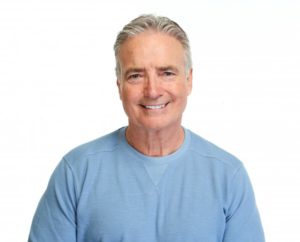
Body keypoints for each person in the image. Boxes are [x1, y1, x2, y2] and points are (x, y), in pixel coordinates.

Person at [28, 14, 265, 242]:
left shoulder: (228, 177)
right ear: (119, 83)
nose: (152, 91)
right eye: (136, 76)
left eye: (167, 73)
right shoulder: (77, 172)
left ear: (189, 80)